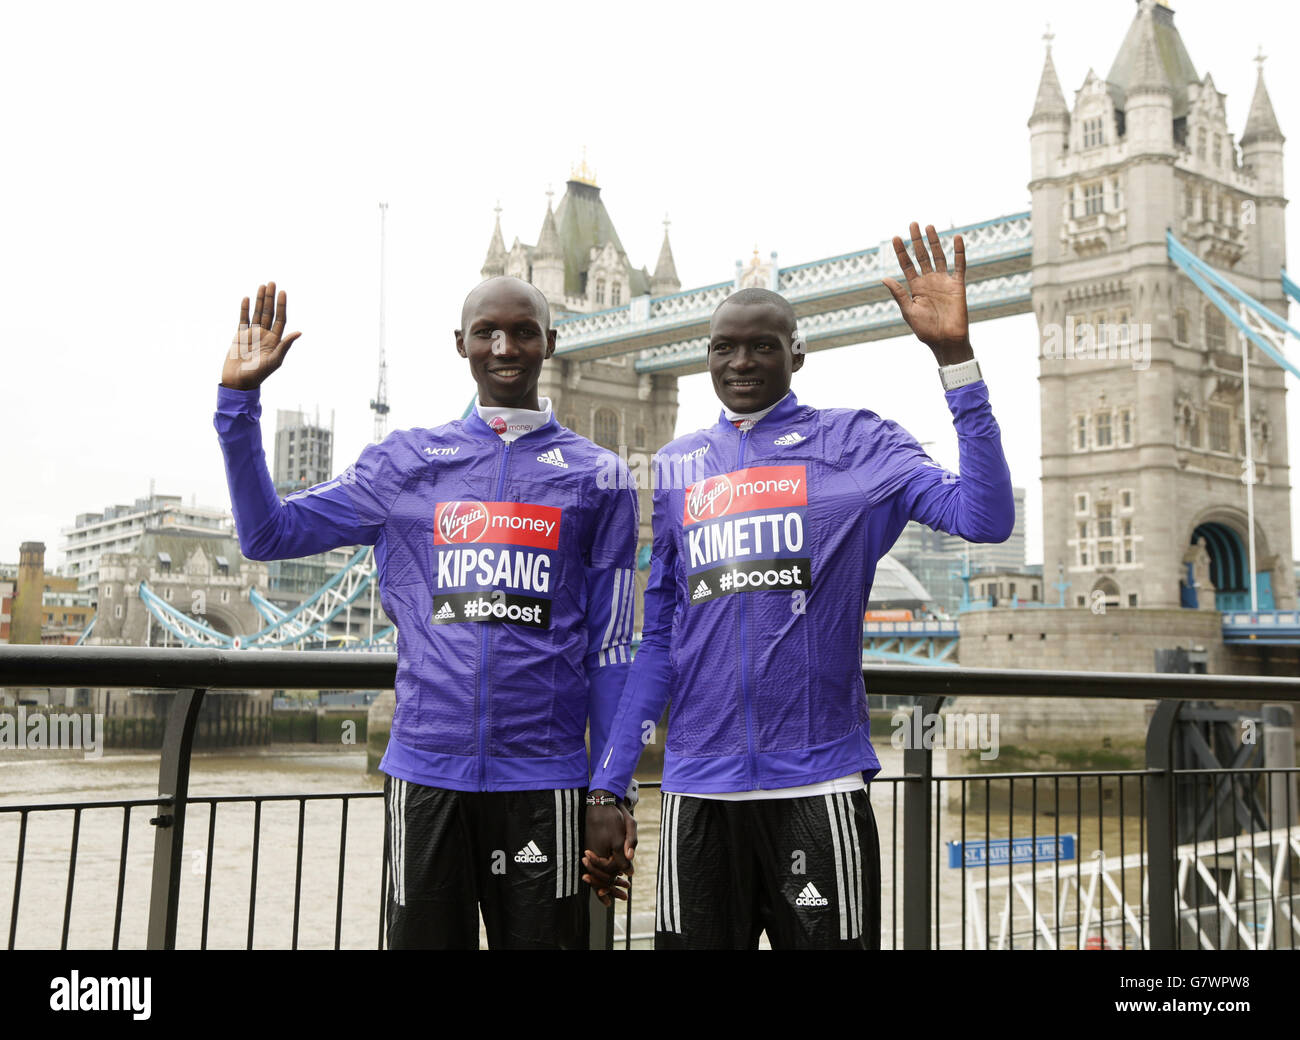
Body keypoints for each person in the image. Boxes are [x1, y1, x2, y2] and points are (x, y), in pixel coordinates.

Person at [582, 222, 1015, 948]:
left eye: (762, 346)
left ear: (797, 354)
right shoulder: (680, 465)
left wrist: (955, 359)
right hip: (697, 791)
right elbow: (659, 643)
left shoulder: (858, 444)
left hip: (818, 787)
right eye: (725, 347)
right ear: (706, 356)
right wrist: (609, 784)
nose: (742, 361)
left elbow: (987, 517)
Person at [213, 275, 639, 948]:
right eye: (486, 333)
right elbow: (267, 535)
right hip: (426, 775)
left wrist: (609, 792)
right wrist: (238, 404)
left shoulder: (601, 478)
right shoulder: (403, 464)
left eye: (523, 332)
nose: (505, 348)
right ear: (460, 345)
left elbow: (612, 651)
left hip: (545, 784)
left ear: (550, 343)